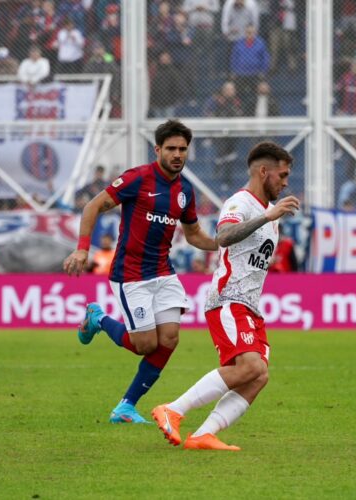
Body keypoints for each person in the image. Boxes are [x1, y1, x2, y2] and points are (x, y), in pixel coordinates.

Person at [62, 120, 218, 424]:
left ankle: (125, 407)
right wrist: (82, 248)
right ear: (157, 149)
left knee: (169, 339)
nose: (177, 154)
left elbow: (195, 234)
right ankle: (98, 319)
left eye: (182, 149)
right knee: (145, 345)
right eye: (171, 148)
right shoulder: (138, 178)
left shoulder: (184, 190)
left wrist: (223, 245)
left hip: (164, 271)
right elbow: (92, 207)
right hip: (131, 273)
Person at [151, 141, 300, 451]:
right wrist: (267, 217)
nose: (285, 183)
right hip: (228, 300)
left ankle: (205, 434)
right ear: (263, 171)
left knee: (258, 376)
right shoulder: (241, 203)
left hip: (250, 307)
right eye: (282, 175)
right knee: (250, 368)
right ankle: (173, 409)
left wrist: (268, 217)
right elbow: (223, 237)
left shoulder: (266, 214)